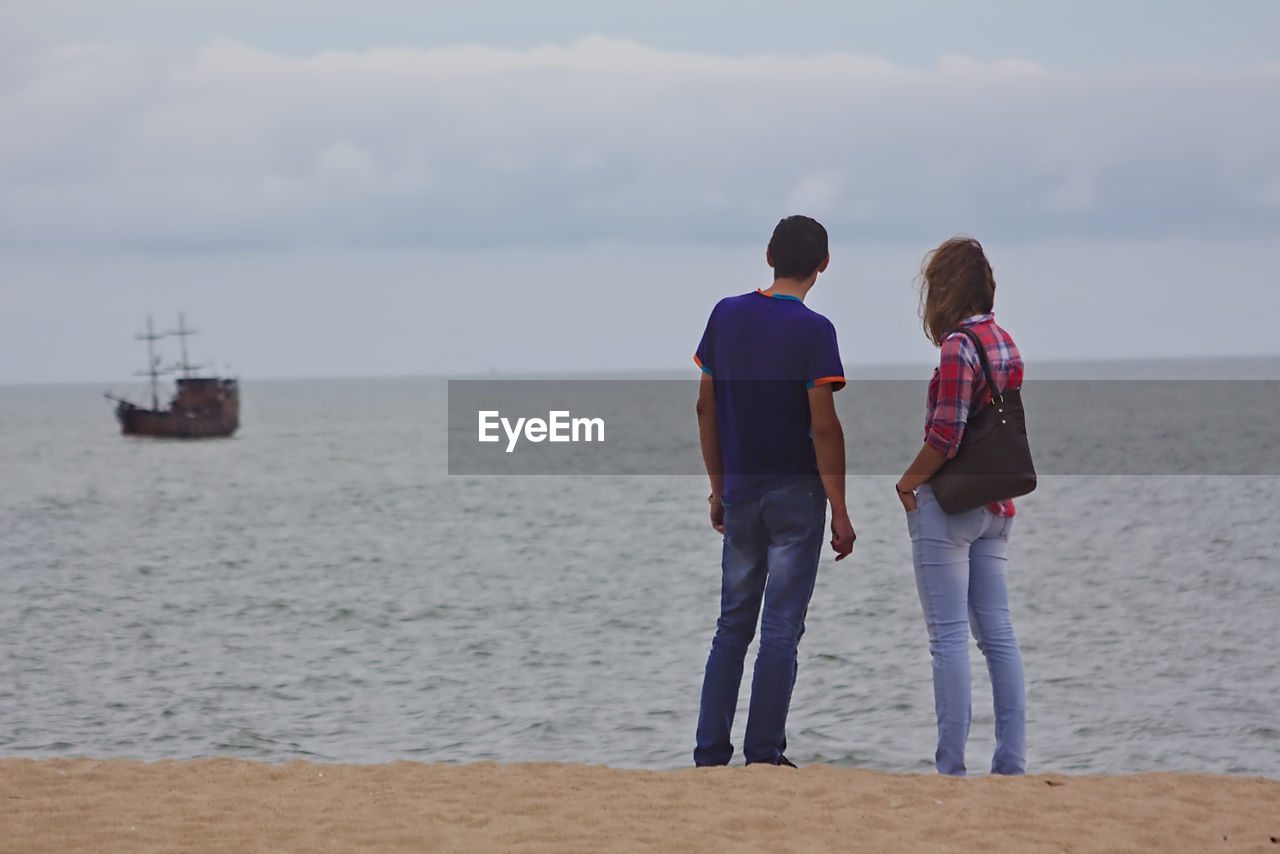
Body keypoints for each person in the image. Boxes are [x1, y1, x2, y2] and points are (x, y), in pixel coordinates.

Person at [692, 215, 856, 768]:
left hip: (740, 492)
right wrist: (841, 510)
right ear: (823, 266)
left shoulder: (725, 315)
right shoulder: (816, 331)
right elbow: (825, 427)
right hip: (797, 497)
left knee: (731, 626)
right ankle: (764, 754)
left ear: (768, 255)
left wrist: (719, 489)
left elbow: (704, 409)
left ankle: (711, 752)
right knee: (781, 628)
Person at [894, 236, 1027, 777]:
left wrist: (906, 484)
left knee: (947, 637)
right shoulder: (1004, 341)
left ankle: (951, 767)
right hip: (997, 507)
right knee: (998, 636)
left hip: (950, 506)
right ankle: (1011, 762)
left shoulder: (957, 346)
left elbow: (946, 436)